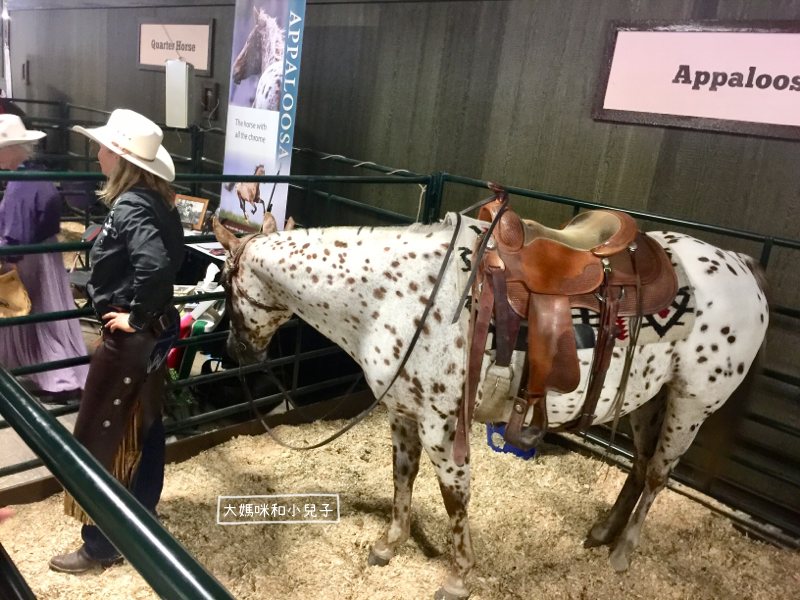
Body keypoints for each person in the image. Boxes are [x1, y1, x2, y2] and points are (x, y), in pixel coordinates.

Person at [48, 109, 184, 573]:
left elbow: (155, 266)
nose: (98, 152)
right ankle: (140, 517)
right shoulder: (158, 200)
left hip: (131, 337)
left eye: (104, 146)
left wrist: (134, 316)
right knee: (144, 426)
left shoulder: (129, 206)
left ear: (121, 158)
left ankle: (101, 544)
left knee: (103, 433)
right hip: (153, 333)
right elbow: (163, 263)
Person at [0, 115, 88, 402]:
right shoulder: (37, 176)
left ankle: (58, 381)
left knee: (33, 313)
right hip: (43, 253)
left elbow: (17, 231)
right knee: (48, 312)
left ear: (12, 150)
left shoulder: (20, 185)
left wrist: (5, 255)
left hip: (27, 258)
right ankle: (60, 376)